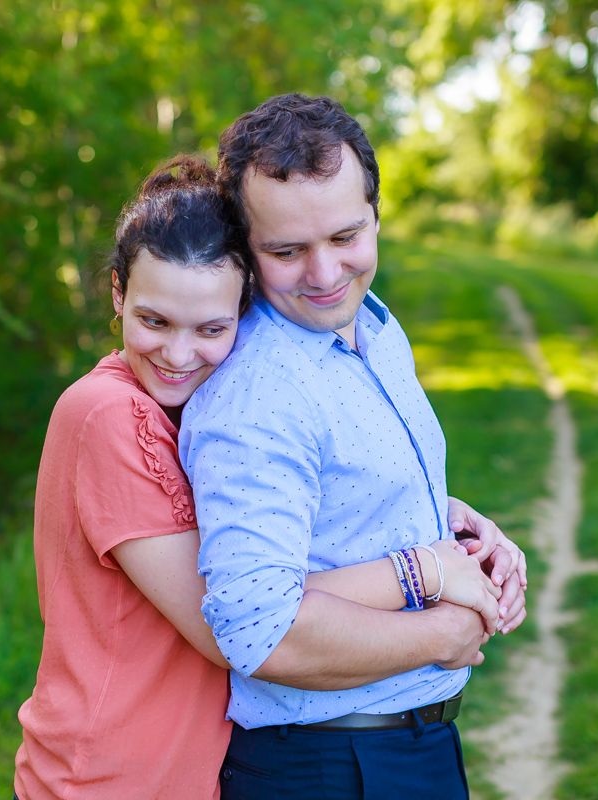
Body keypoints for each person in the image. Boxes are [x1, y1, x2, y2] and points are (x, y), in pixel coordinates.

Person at [13, 155, 511, 800]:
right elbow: (235, 624)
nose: (179, 354)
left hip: (192, 769)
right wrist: (428, 585)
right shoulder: (106, 414)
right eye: (153, 321)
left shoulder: (193, 404)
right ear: (117, 294)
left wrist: (438, 514)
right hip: (111, 774)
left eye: (212, 328)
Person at [179, 94, 528, 799]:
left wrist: (459, 532)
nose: (324, 273)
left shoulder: (372, 325)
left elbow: (342, 497)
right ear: (245, 249)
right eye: (286, 251)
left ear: (375, 214)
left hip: (410, 748)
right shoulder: (257, 394)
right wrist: (441, 633)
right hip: (329, 767)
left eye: (346, 236)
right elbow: (259, 631)